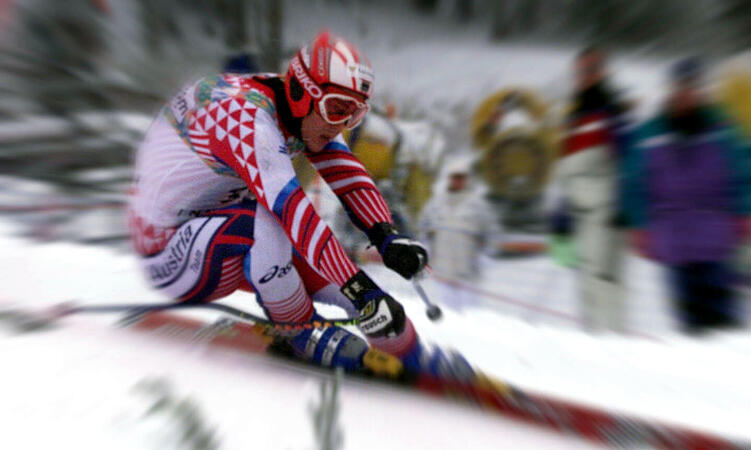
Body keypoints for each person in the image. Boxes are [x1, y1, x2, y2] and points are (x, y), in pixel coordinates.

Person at [128, 31, 462, 375]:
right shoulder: (248, 119)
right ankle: (299, 330)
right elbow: (292, 212)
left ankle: (407, 351)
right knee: (271, 220)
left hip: (212, 228)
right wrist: (365, 294)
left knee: (312, 261)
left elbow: (349, 176)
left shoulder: (305, 111)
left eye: (355, 116)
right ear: (303, 92)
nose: (342, 126)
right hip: (166, 250)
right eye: (338, 110)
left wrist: (387, 237)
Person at [623, 57, 751, 334]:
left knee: (727, 321)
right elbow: (633, 185)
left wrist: (749, 212)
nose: (686, 95)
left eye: (693, 88)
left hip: (717, 237)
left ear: (702, 91)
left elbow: (746, 172)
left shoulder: (725, 128)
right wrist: (639, 226)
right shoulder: (649, 133)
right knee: (690, 324)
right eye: (681, 88)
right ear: (671, 90)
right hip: (673, 239)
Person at [548, 46, 632, 333]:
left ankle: (617, 350)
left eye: (591, 70)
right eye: (581, 71)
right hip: (578, 211)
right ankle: (594, 349)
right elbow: (566, 166)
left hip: (605, 212)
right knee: (585, 285)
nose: (585, 76)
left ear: (603, 71)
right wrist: (561, 209)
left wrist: (623, 204)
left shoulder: (612, 110)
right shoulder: (574, 112)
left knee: (607, 285)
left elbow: (628, 159)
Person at [417, 155, 499, 310]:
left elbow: (491, 233)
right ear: (449, 179)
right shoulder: (436, 204)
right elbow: (424, 230)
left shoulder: (478, 205)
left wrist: (486, 257)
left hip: (469, 276)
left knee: (472, 317)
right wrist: (425, 251)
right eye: (455, 177)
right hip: (443, 274)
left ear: (467, 180)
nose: (458, 181)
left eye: (462, 178)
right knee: (449, 318)